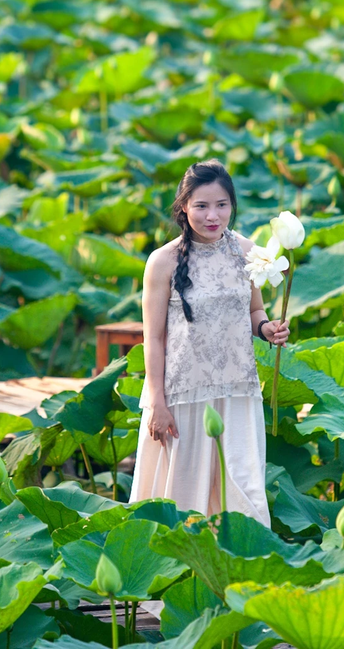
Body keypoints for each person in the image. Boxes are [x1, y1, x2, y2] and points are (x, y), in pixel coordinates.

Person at [129, 159, 290, 525]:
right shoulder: (162, 261)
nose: (212, 215)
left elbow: (255, 313)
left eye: (222, 205)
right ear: (184, 207)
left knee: (243, 490)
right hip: (183, 396)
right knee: (182, 499)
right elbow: (152, 339)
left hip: (237, 393)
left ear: (232, 205)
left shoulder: (248, 251)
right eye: (201, 206)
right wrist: (157, 402)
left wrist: (268, 329)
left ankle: (240, 564)